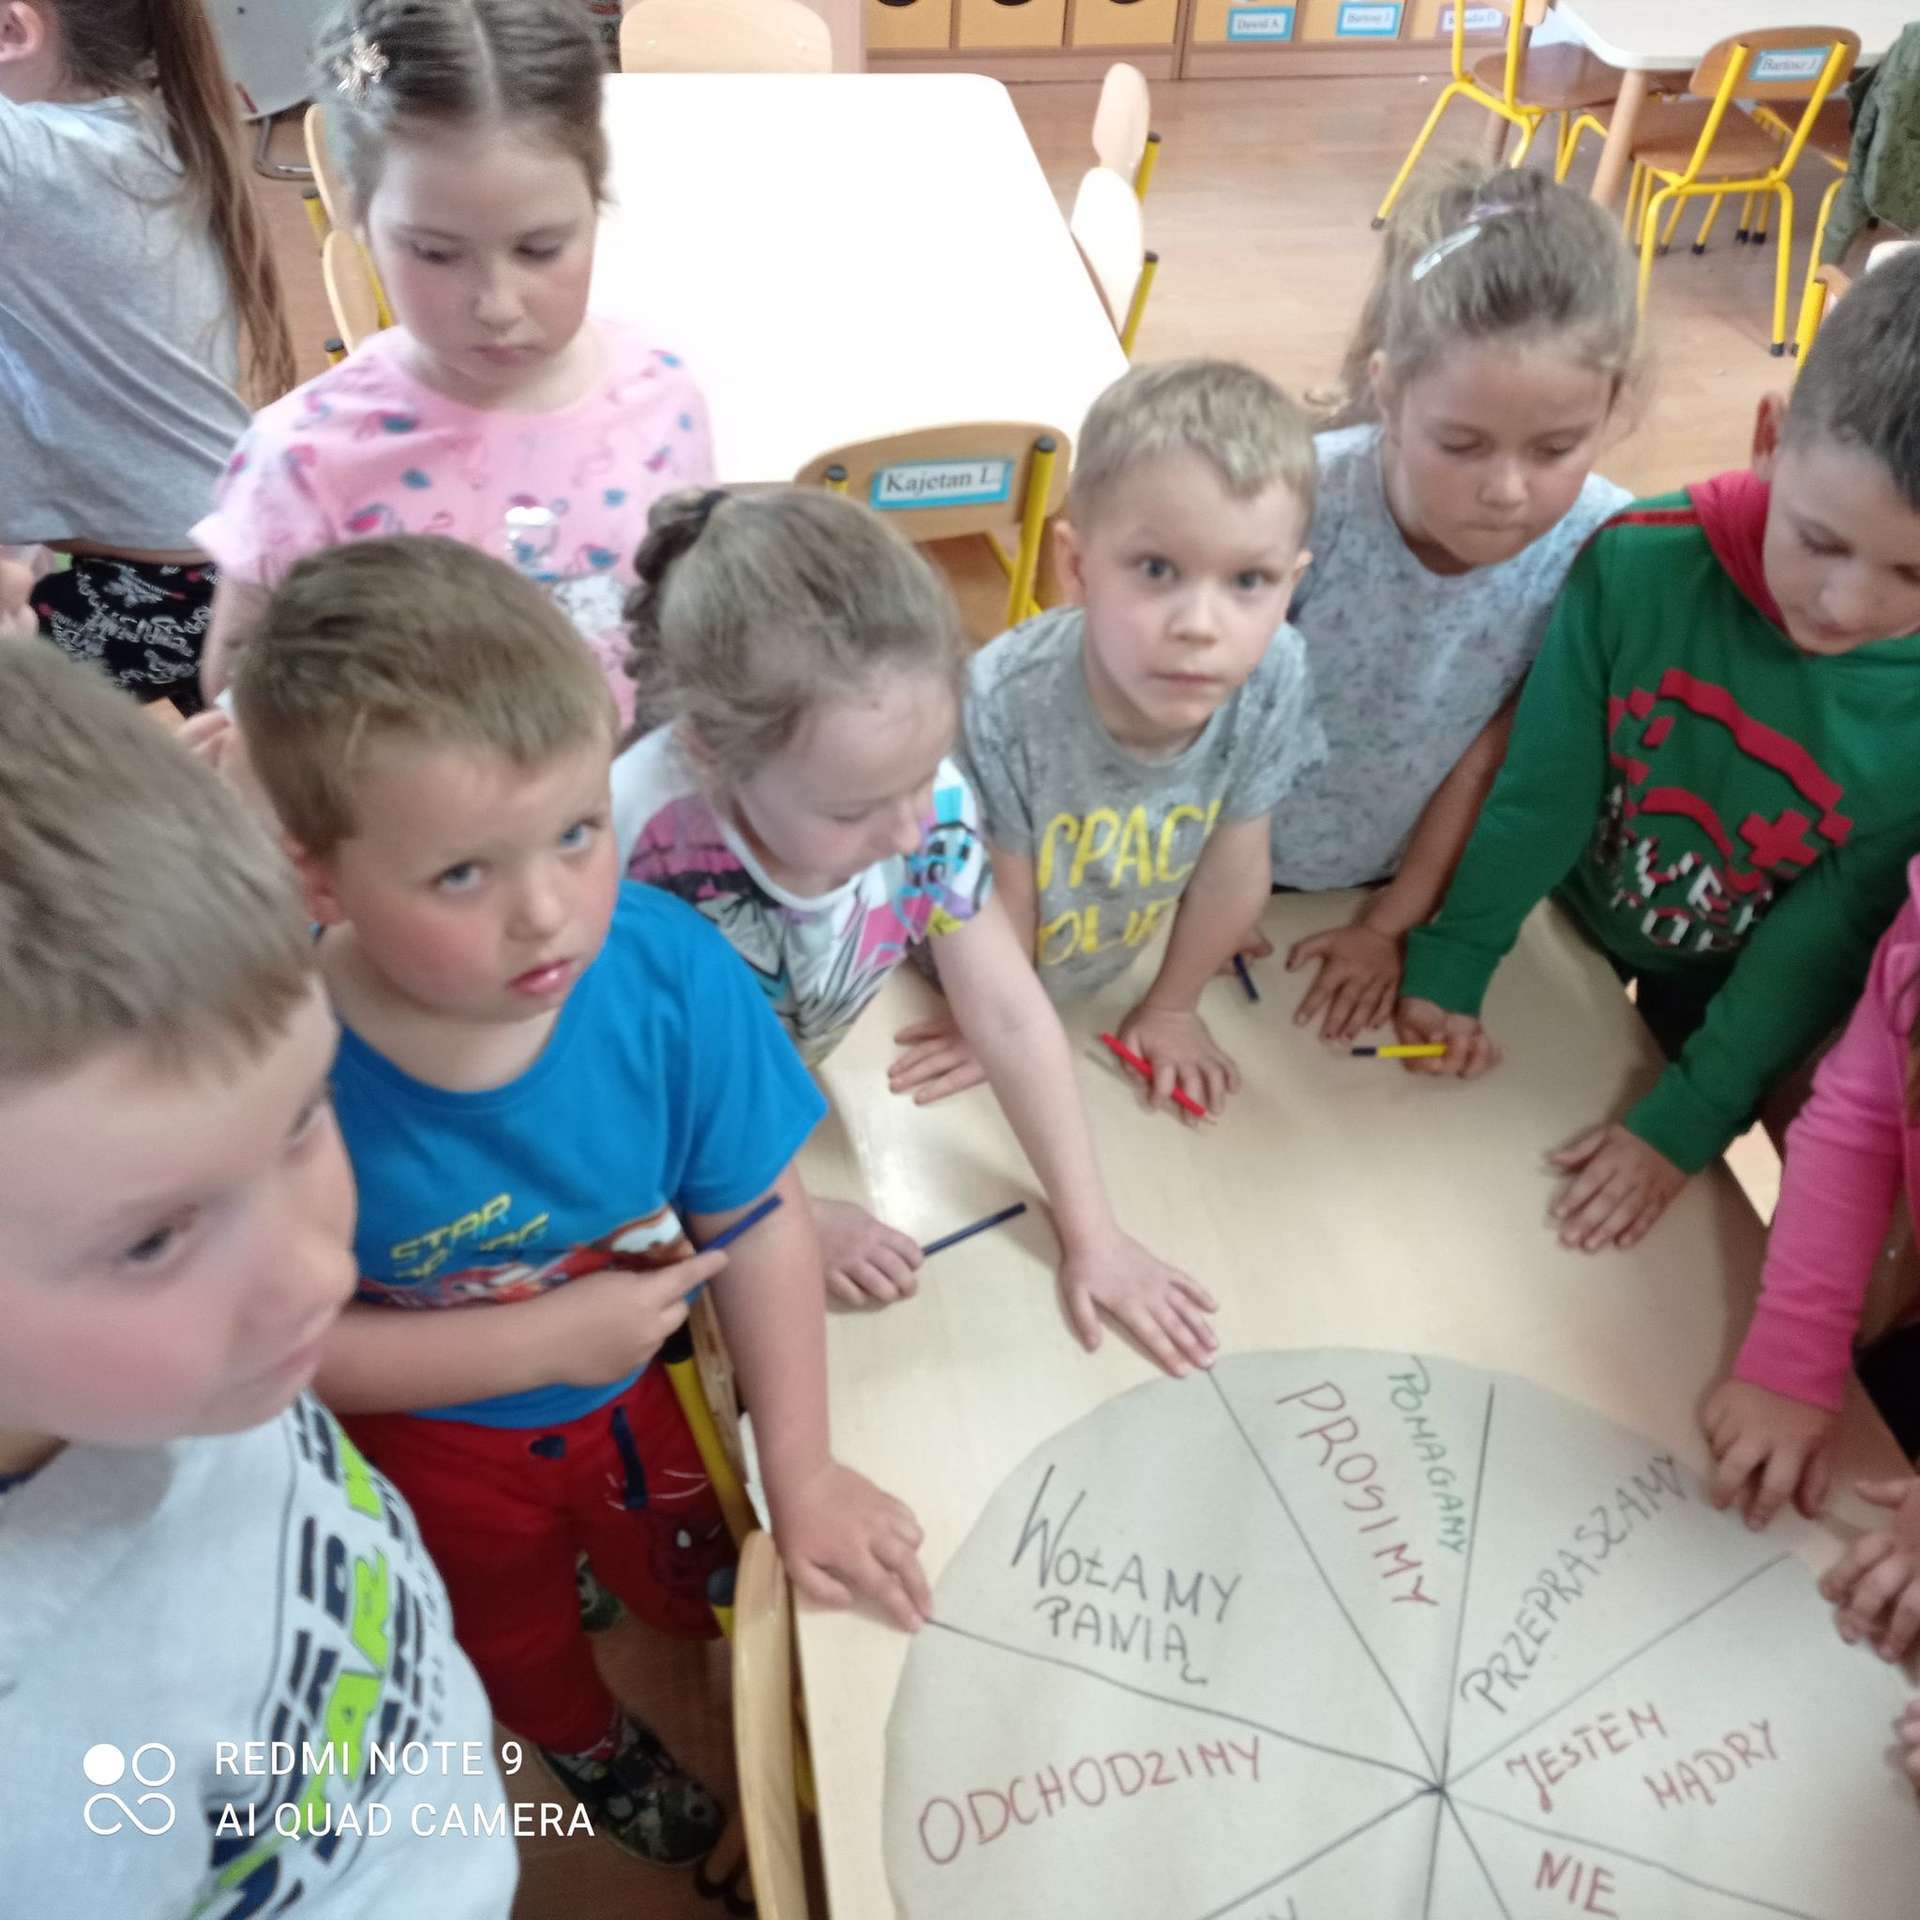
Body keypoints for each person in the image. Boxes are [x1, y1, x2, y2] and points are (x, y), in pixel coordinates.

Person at [229, 534, 930, 1869]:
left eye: (576, 831)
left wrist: (802, 1472)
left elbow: (761, 1219)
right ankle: (585, 1739)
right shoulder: (270, 1073)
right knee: (511, 1634)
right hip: (430, 1455)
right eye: (462, 873)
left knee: (682, 1561)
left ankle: (643, 1596)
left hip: (642, 1402)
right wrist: (538, 1344)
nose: (549, 913)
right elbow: (280, 1356)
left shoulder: (671, 977)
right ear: (319, 878)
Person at [0, 645, 515, 1915]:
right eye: (152, 1241)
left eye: (300, 1118)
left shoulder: (179, 1367)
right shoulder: (33, 1803)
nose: (314, 1277)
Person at [613, 489, 1216, 1372]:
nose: (908, 833)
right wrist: (784, 1216)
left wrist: (1095, 1233)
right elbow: (625, 1107)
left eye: (924, 775)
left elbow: (1006, 1011)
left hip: (777, 1084)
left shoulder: (911, 795)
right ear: (708, 752)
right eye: (852, 809)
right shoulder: (626, 862)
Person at [1397, 247, 1920, 1253]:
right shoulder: (1641, 561)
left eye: (1914, 575)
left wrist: (1688, 1120)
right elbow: (1542, 792)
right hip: (1564, 923)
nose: (1846, 604)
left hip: (1729, 992)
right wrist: (1457, 956)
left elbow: (1818, 942)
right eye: (1819, 540)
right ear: (1769, 440)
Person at [193, 0, 711, 725]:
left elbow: (678, 619)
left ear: (596, 202)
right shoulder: (305, 459)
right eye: (436, 253)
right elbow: (240, 682)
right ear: (358, 215)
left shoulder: (662, 396)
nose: (496, 304)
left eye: (540, 249)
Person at [895, 359, 1324, 1123]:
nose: (1200, 625)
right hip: (958, 964)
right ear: (1076, 566)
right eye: (1158, 569)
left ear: (1291, 584)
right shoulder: (1004, 700)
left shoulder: (1275, 672)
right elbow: (999, 902)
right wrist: (997, 1026)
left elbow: (1235, 865)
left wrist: (1171, 1007)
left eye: (1248, 581)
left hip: (1099, 961)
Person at [1268, 165, 1636, 1042]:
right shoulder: (1297, 503)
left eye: (1556, 447)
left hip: (1394, 890)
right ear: (1390, 392)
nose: (1507, 491)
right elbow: (1205, 724)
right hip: (1216, 871)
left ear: (1611, 403)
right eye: (1462, 445)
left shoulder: (1601, 548)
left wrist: (1391, 924)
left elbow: (1493, 760)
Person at [0, 0, 294, 713]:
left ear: (13, 29)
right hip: (212, 556)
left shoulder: (35, 159)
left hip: (157, 590)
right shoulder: (143, 121)